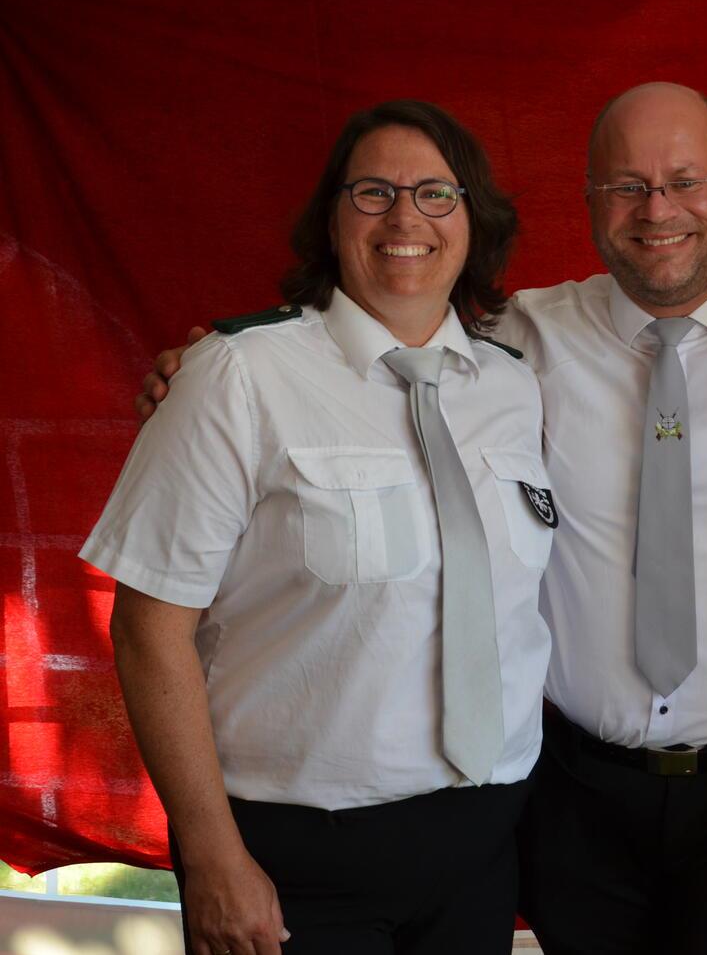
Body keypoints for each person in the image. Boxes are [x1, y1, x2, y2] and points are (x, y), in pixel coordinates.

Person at [137, 82, 707, 955]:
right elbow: (155, 620)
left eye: (684, 181)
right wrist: (196, 368)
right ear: (591, 203)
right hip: (567, 794)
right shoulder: (524, 339)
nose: (656, 209)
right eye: (625, 185)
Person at [85, 99, 553, 955]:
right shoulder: (237, 375)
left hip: (481, 850)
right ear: (331, 220)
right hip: (293, 862)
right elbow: (150, 629)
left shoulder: (514, 384)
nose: (405, 216)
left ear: (473, 220)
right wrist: (214, 858)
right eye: (372, 192)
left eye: (435, 193)